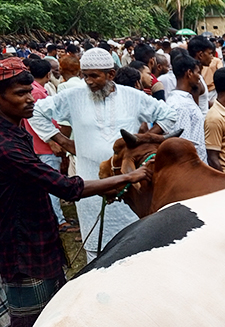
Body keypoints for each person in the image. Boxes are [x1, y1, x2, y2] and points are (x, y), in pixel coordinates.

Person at [0, 58, 153, 327]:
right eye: (20, 94)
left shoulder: (16, 131)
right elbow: (66, 187)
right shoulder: (6, 146)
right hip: (23, 248)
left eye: (29, 91)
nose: (30, 99)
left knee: (53, 316)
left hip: (40, 237)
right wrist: (126, 178)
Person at [28, 48, 177, 262]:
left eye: (94, 75)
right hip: (90, 181)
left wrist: (141, 143)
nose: (88, 81)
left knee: (131, 246)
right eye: (85, 75)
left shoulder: (132, 97)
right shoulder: (73, 96)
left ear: (111, 75)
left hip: (127, 185)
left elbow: (168, 115)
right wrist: (62, 141)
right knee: (96, 249)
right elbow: (37, 112)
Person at [21, 59, 73, 233]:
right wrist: (54, 140)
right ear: (48, 74)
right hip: (44, 146)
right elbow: (36, 120)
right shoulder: (36, 93)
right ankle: (58, 221)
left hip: (39, 145)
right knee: (51, 184)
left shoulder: (35, 90)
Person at [167, 56, 208, 163]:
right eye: (197, 72)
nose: (199, 77)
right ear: (189, 73)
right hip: (193, 170)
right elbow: (182, 145)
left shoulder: (185, 100)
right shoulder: (180, 105)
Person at [188, 36, 216, 116]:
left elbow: (203, 102)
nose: (212, 57)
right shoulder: (195, 80)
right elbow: (194, 111)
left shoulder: (198, 75)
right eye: (210, 53)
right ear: (200, 55)